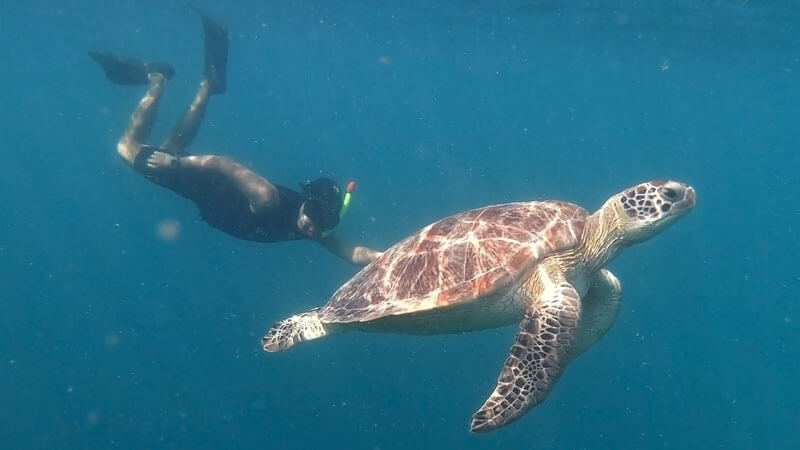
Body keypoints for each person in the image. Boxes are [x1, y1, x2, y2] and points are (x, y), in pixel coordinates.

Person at [90, 8, 381, 265]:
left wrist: (385, 259)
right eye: (314, 214)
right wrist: (174, 166)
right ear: (306, 200)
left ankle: (207, 85)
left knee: (174, 145)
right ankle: (157, 80)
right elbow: (222, 163)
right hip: (203, 183)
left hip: (205, 194)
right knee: (127, 148)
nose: (314, 227)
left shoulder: (316, 227)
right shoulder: (268, 199)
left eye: (326, 222)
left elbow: (353, 251)